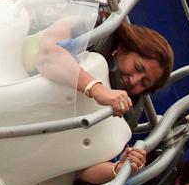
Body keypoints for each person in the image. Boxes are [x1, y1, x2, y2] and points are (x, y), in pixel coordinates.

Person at [32, 18, 173, 123]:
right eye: (138, 67)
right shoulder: (85, 24)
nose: (134, 80)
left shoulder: (111, 116)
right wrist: (97, 90)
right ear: (124, 47)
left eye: (144, 83)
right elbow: (48, 56)